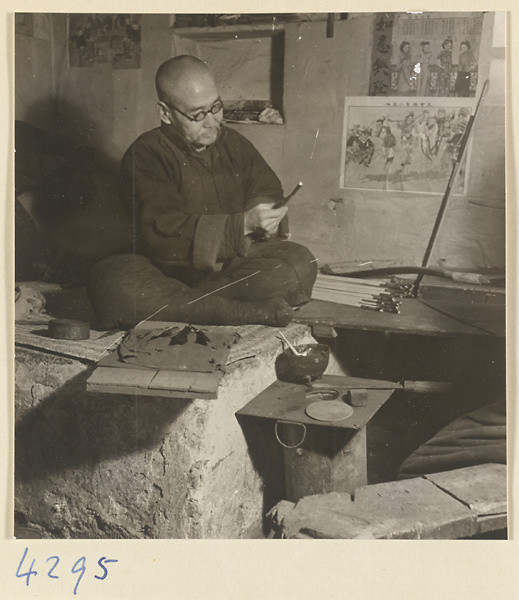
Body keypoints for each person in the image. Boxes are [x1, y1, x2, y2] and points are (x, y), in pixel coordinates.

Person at [88, 55, 317, 329]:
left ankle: (189, 309)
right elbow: (162, 234)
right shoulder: (146, 154)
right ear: (165, 113)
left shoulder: (231, 142)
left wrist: (264, 214)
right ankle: (239, 312)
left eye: (216, 107)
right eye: (197, 115)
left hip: (226, 271)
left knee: (300, 264)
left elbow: (265, 186)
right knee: (113, 284)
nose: (212, 122)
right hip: (161, 272)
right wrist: (240, 225)